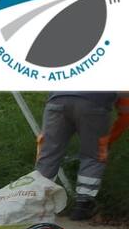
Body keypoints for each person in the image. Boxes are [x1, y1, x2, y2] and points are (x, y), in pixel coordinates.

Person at [35, 91, 129, 221]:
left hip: (56, 100)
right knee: (93, 156)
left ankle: (37, 200)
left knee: (48, 154)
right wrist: (108, 140)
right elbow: (126, 111)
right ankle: (83, 206)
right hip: (94, 105)